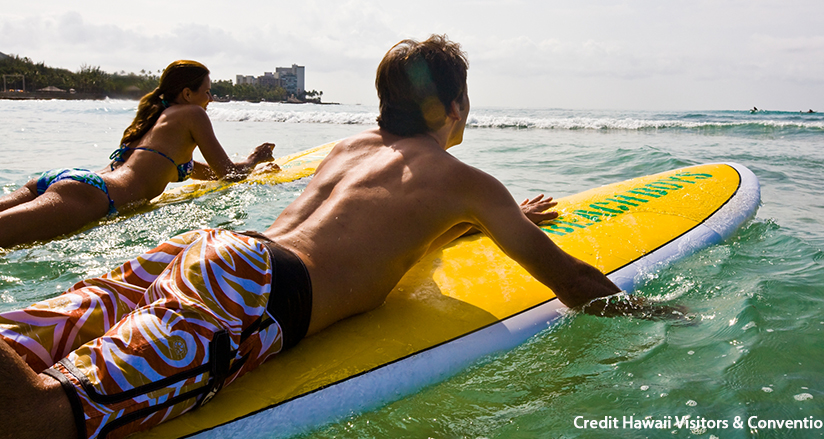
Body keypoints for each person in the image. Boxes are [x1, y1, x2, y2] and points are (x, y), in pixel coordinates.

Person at [0, 35, 652, 439]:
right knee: (35, 417)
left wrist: (484, 220)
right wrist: (655, 313)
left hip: (209, 252)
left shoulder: (350, 146)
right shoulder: (467, 182)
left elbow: (376, 229)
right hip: (252, 293)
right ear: (452, 109)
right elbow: (571, 281)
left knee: (22, 342)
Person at [0, 60, 276, 248]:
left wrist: (249, 164)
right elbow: (226, 173)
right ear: (188, 94)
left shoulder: (155, 122)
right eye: (207, 92)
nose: (211, 99)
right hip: (95, 196)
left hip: (73, 182)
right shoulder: (193, 114)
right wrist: (254, 161)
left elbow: (205, 172)